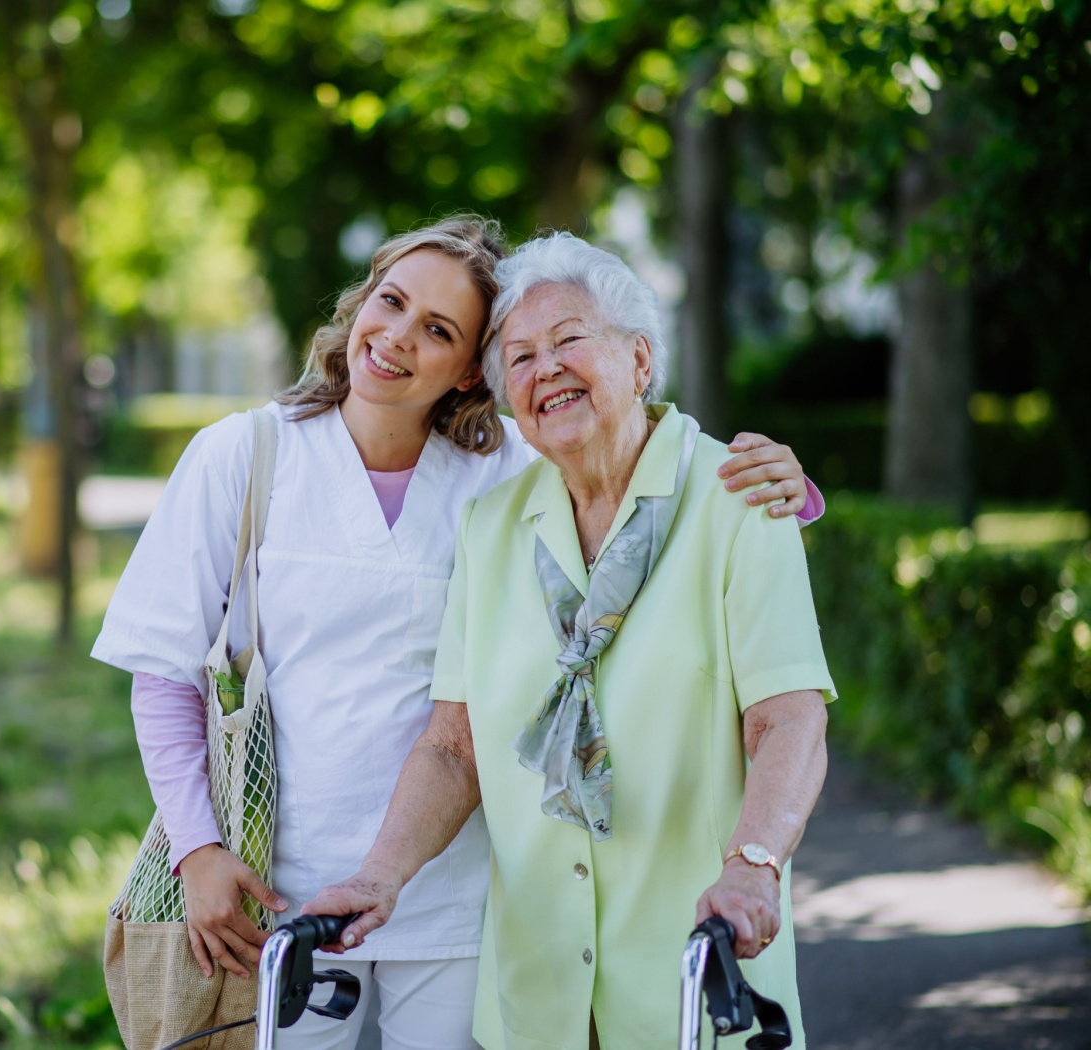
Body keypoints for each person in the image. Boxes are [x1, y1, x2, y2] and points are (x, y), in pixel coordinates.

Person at [93, 217, 822, 1050]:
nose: (398, 337)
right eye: (391, 302)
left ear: (471, 369)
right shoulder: (269, 459)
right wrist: (197, 849)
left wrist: (790, 492)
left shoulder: (507, 470)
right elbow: (169, 673)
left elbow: (646, 466)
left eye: (438, 330)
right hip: (289, 890)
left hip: (465, 899)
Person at [301, 230, 834, 1050]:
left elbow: (788, 721)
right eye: (518, 356)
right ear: (506, 396)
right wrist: (379, 877)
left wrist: (753, 864)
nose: (544, 367)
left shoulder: (739, 500)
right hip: (536, 1000)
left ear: (640, 361)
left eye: (570, 339)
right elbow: (454, 747)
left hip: (698, 970)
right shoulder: (494, 527)